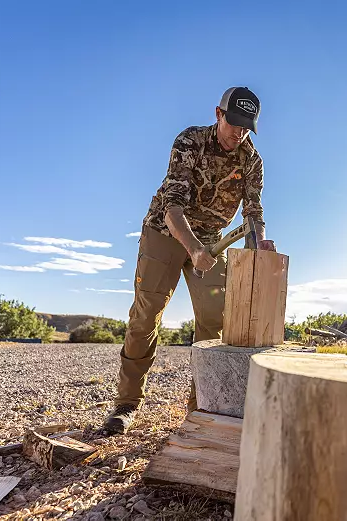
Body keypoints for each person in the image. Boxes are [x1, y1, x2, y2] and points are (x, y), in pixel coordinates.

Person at [102, 86, 275, 434]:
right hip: (165, 232)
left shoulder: (252, 161)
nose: (238, 133)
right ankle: (126, 404)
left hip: (211, 241)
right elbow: (173, 203)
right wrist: (193, 248)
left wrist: (259, 244)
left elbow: (253, 211)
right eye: (233, 123)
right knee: (145, 315)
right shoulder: (190, 142)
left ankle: (203, 405)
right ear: (218, 114)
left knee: (215, 323)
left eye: (246, 127)